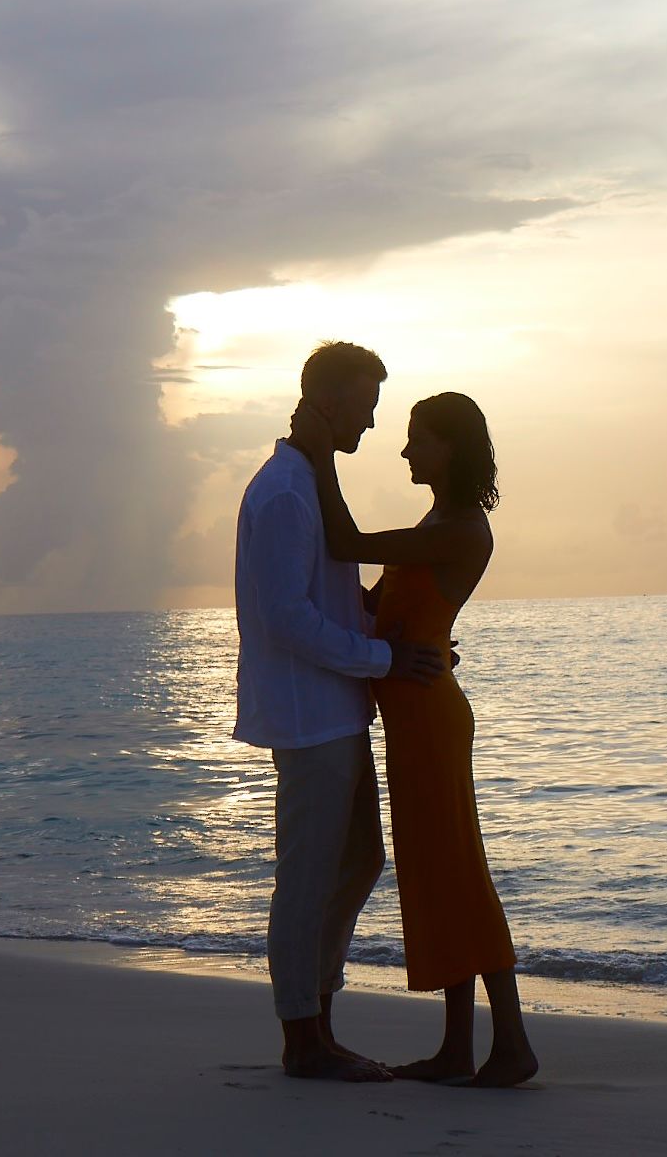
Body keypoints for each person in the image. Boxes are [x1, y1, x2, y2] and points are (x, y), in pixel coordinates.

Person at [291, 390, 539, 1088]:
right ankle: (458, 1049)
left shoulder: (460, 527)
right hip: (410, 719)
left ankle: (512, 1043)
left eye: (417, 439)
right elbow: (374, 608)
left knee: (456, 872)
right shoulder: (436, 520)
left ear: (451, 447)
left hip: (430, 720)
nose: (404, 451)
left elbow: (346, 545)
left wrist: (317, 457)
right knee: (434, 876)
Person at [232, 341, 448, 1082]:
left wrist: (395, 637)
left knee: (357, 861)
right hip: (309, 714)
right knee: (310, 876)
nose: (374, 421)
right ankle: (304, 1036)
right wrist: (386, 660)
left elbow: (329, 599)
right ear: (327, 402)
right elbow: (285, 617)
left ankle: (317, 1017)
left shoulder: (307, 482)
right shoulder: (287, 492)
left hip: (336, 708)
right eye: (365, 404)